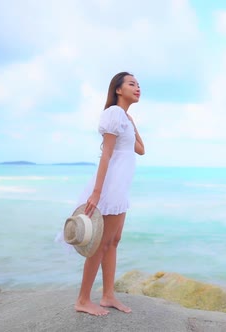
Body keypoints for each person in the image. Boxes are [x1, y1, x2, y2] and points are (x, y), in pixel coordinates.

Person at [74, 71, 145, 316]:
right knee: (101, 244)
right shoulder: (114, 114)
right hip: (110, 186)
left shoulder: (125, 117)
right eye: (131, 84)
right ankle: (83, 299)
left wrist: (133, 123)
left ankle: (107, 295)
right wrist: (96, 193)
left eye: (138, 84)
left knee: (114, 242)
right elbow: (106, 155)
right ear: (118, 89)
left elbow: (141, 150)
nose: (137, 88)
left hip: (120, 186)